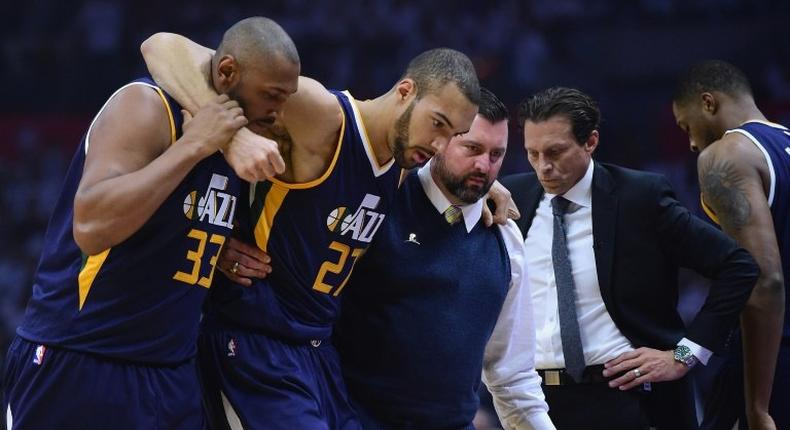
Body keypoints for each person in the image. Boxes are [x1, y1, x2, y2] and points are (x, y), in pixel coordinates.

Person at [141, 34, 485, 429]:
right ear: (405, 91)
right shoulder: (322, 115)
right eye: (437, 123)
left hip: (317, 353)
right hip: (255, 345)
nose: (440, 144)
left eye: (453, 135)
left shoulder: (403, 161)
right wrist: (232, 136)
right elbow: (163, 46)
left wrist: (487, 191)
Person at [2, 17, 300, 429]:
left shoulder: (242, 138)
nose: (280, 111)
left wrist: (211, 246)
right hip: (84, 358)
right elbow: (90, 226)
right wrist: (194, 146)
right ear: (228, 73)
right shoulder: (145, 106)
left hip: (171, 371)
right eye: (272, 95)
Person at [501, 87, 759, 430]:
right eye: (532, 153)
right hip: (535, 401)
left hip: (626, 396)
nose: (543, 167)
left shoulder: (640, 198)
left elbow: (738, 266)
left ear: (590, 142)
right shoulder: (511, 196)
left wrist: (684, 356)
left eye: (555, 152)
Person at [332, 88, 554, 430]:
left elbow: (513, 378)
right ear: (439, 140)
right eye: (473, 148)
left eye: (497, 154)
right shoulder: (380, 198)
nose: (484, 165)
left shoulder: (506, 238)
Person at [673, 59, 788, 430]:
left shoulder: (726, 154)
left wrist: (758, 406)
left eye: (687, 127)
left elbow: (764, 281)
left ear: (709, 103)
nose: (691, 143)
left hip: (774, 358)